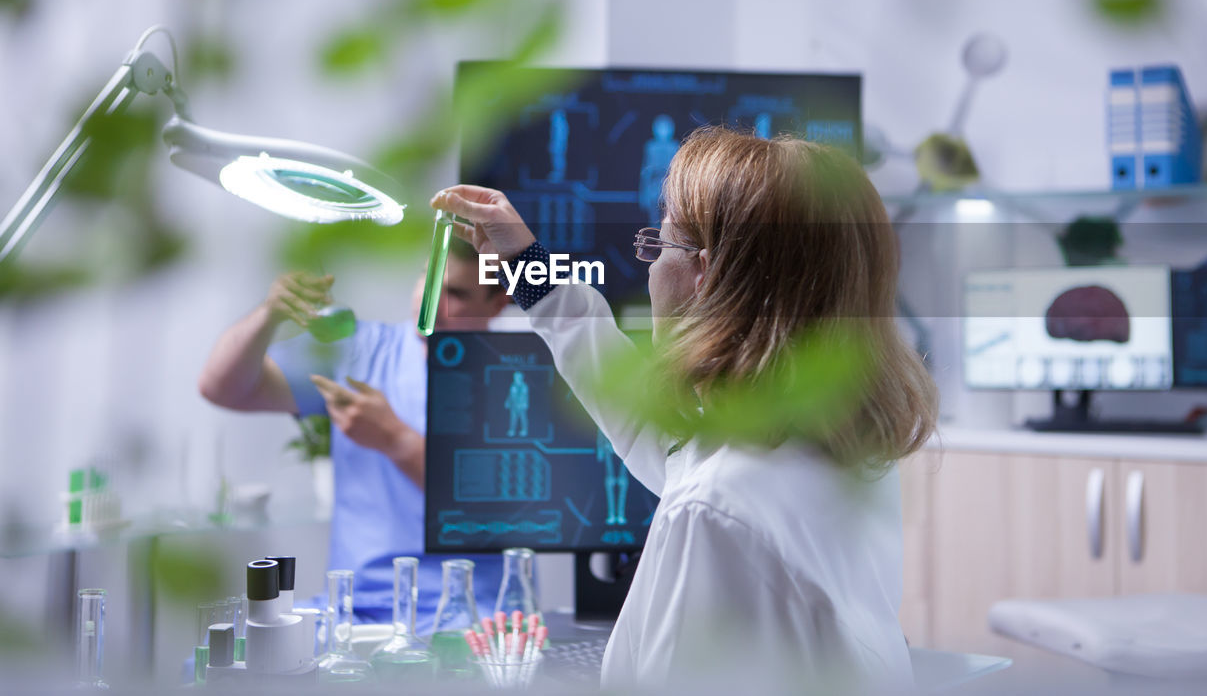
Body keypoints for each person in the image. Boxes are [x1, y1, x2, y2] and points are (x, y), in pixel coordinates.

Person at [431, 126, 938, 689]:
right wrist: (528, 263)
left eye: (662, 244)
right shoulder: (845, 444)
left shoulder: (713, 510)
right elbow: (666, 443)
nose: (650, 267)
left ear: (708, 273)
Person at [197, 238, 512, 626]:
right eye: (428, 282)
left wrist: (396, 440)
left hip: (464, 612)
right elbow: (222, 388)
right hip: (352, 606)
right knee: (227, 665)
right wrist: (269, 315)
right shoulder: (361, 349)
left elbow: (499, 514)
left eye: (455, 293)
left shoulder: (514, 379)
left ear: (497, 304)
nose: (431, 303)